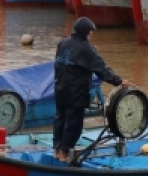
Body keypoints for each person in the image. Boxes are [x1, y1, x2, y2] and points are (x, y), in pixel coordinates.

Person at [53, 17, 127, 162]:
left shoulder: (63, 43)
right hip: (76, 93)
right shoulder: (86, 49)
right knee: (73, 124)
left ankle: (57, 149)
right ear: (85, 32)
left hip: (60, 89)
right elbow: (102, 69)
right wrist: (119, 81)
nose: (91, 35)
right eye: (90, 32)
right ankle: (65, 152)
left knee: (59, 119)